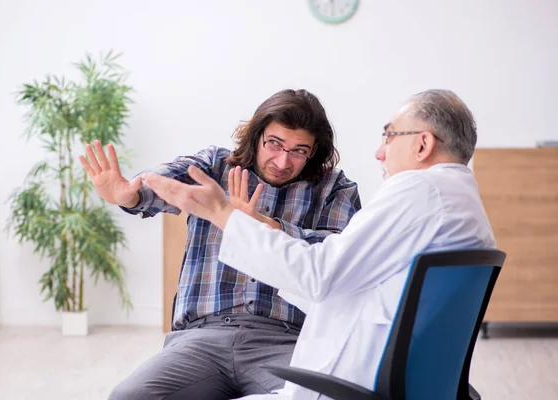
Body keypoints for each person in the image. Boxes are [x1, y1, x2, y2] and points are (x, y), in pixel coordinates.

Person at [142, 89, 497, 400]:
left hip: (350, 378)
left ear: (423, 144)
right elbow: (342, 274)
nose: (379, 152)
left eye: (388, 136)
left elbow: (318, 275)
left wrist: (225, 216)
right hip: (391, 376)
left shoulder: (416, 191)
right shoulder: (460, 199)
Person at [79, 89, 362, 400]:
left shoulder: (335, 188)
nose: (283, 161)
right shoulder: (216, 166)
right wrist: (129, 196)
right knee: (128, 396)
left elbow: (340, 256)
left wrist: (261, 225)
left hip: (288, 339)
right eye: (275, 144)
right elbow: (165, 185)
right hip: (203, 337)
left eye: (299, 150)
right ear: (257, 136)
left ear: (314, 150)